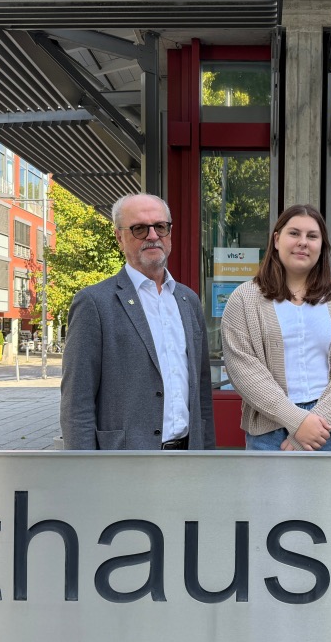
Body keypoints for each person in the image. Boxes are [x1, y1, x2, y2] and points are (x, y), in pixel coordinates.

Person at [60, 193, 215, 451]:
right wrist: (82, 472)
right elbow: (77, 403)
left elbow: (202, 393)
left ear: (169, 233)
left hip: (189, 458)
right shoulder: (94, 303)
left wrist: (207, 454)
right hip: (124, 463)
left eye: (160, 227)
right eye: (139, 229)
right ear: (120, 237)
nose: (153, 236)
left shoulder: (188, 300)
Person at [221, 205, 331, 451]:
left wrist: (313, 426)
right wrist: (297, 422)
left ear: (322, 246)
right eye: (294, 234)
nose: (303, 242)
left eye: (312, 236)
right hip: (270, 433)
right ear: (277, 240)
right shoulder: (244, 299)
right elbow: (243, 370)